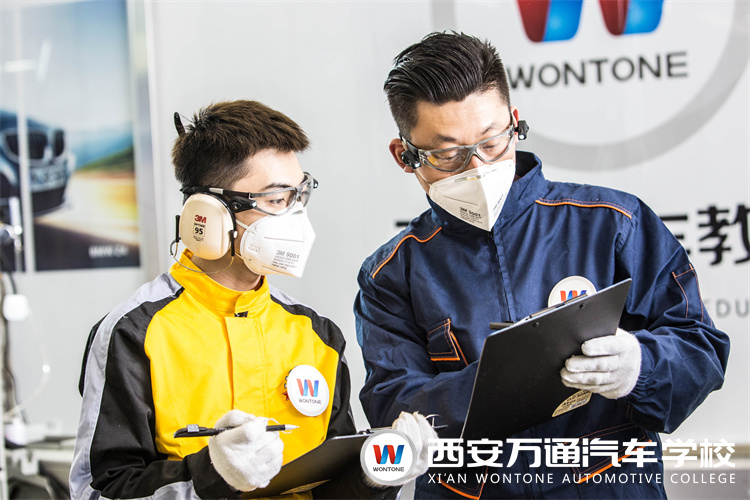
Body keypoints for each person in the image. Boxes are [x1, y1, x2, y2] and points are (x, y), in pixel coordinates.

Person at [354, 32, 730, 499]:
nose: (478, 168)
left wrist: (641, 365)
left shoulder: (613, 223)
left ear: (515, 122)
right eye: (448, 154)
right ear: (405, 156)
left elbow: (700, 347)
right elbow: (394, 403)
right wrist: (507, 381)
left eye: (493, 141)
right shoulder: (391, 275)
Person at [70, 100, 433, 499]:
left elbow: (328, 487)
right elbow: (96, 491)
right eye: (277, 200)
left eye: (300, 195)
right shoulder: (134, 333)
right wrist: (212, 474)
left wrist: (374, 475)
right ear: (209, 214)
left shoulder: (316, 335)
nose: (296, 217)